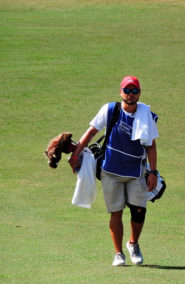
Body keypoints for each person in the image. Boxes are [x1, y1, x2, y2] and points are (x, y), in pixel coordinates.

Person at [69, 75, 159, 266]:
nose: (130, 94)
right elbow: (91, 132)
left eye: (134, 91)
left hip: (136, 172)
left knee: (139, 211)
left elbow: (151, 146)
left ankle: (133, 243)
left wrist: (153, 172)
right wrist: (76, 154)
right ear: (121, 92)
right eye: (127, 90)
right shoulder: (110, 109)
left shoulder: (147, 115)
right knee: (116, 212)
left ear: (139, 93)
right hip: (111, 171)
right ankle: (118, 253)